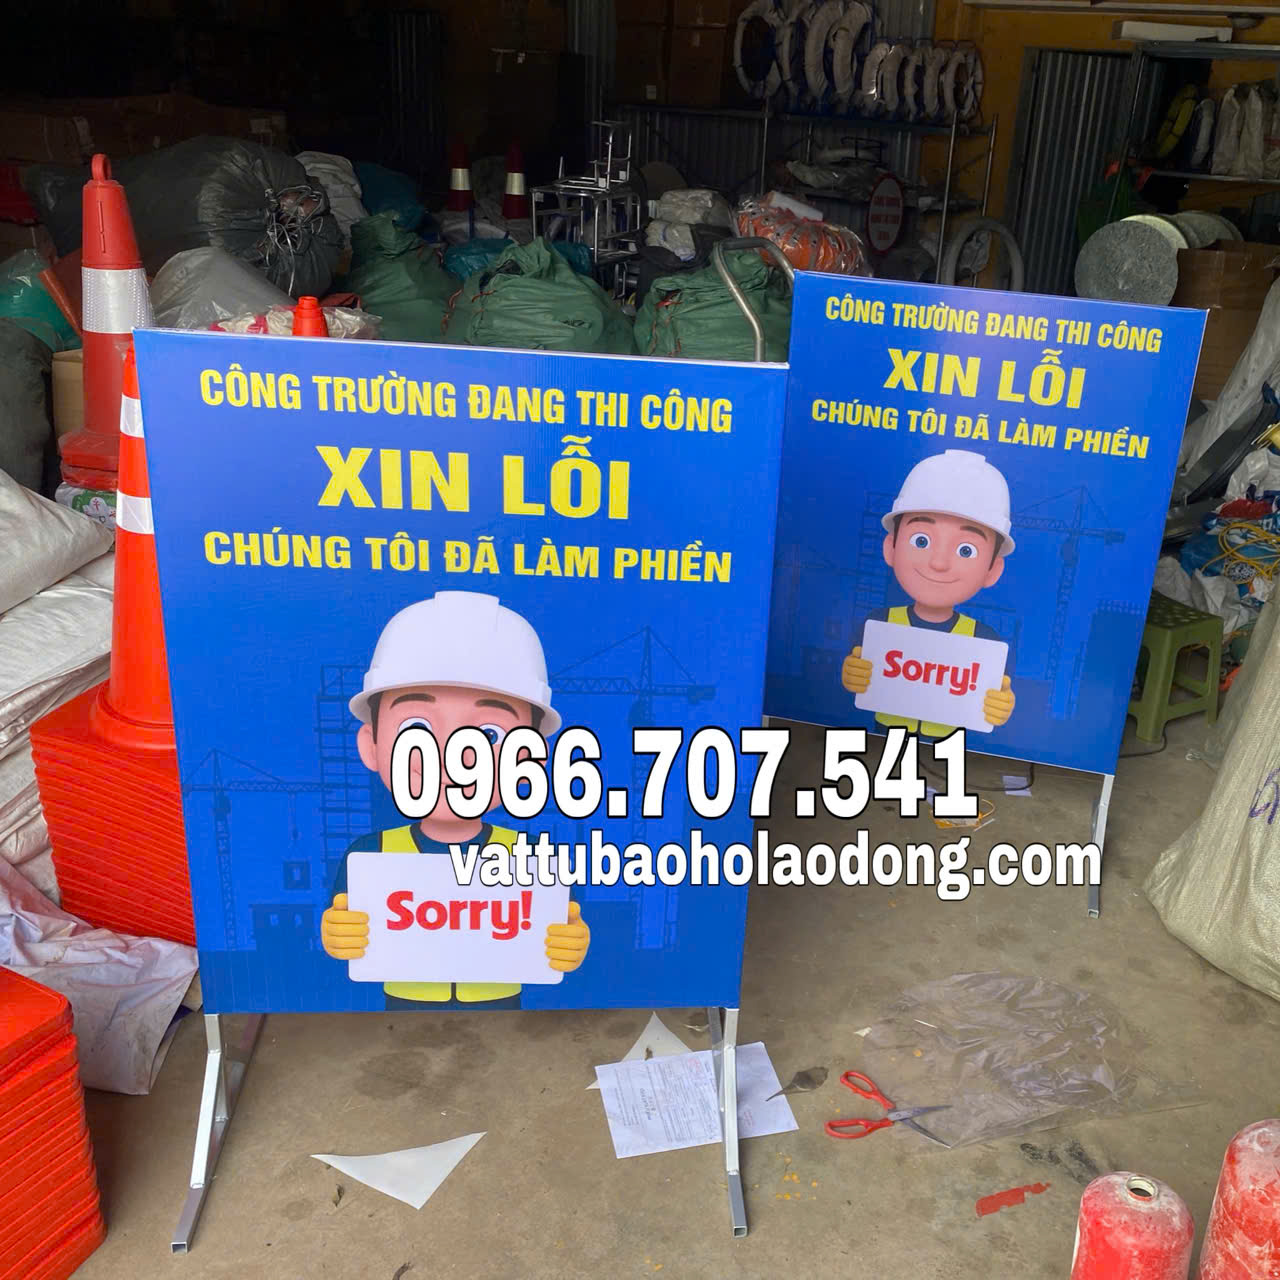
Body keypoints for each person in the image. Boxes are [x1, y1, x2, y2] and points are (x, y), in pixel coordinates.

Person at [320, 591, 590, 1010]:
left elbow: (565, 920)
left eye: (488, 734)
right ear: (371, 745)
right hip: (404, 1013)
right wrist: (337, 932)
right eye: (416, 727)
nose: (453, 755)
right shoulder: (370, 854)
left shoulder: (533, 857)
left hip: (501, 1014)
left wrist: (571, 939)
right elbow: (343, 921)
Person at [841, 449, 1016, 737]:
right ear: (890, 547)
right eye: (921, 541)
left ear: (992, 570)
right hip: (888, 737)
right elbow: (860, 675)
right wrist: (853, 675)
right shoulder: (880, 624)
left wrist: (1000, 703)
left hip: (946, 745)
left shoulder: (984, 640)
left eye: (966, 550)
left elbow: (995, 693)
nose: (938, 563)